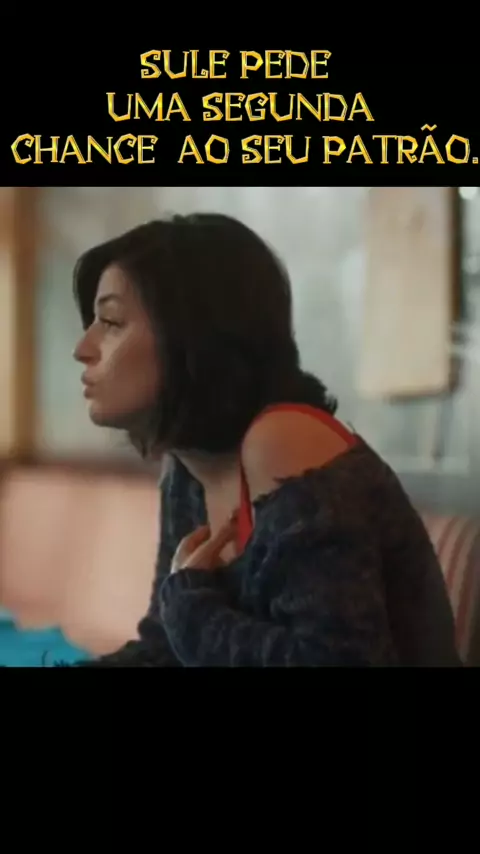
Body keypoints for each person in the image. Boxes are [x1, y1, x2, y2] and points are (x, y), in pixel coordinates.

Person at [70, 212, 460, 667]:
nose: (83, 348)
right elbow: (165, 648)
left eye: (111, 321)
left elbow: (339, 660)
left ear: (194, 335)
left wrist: (190, 607)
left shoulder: (283, 442)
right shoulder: (187, 467)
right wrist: (184, 609)